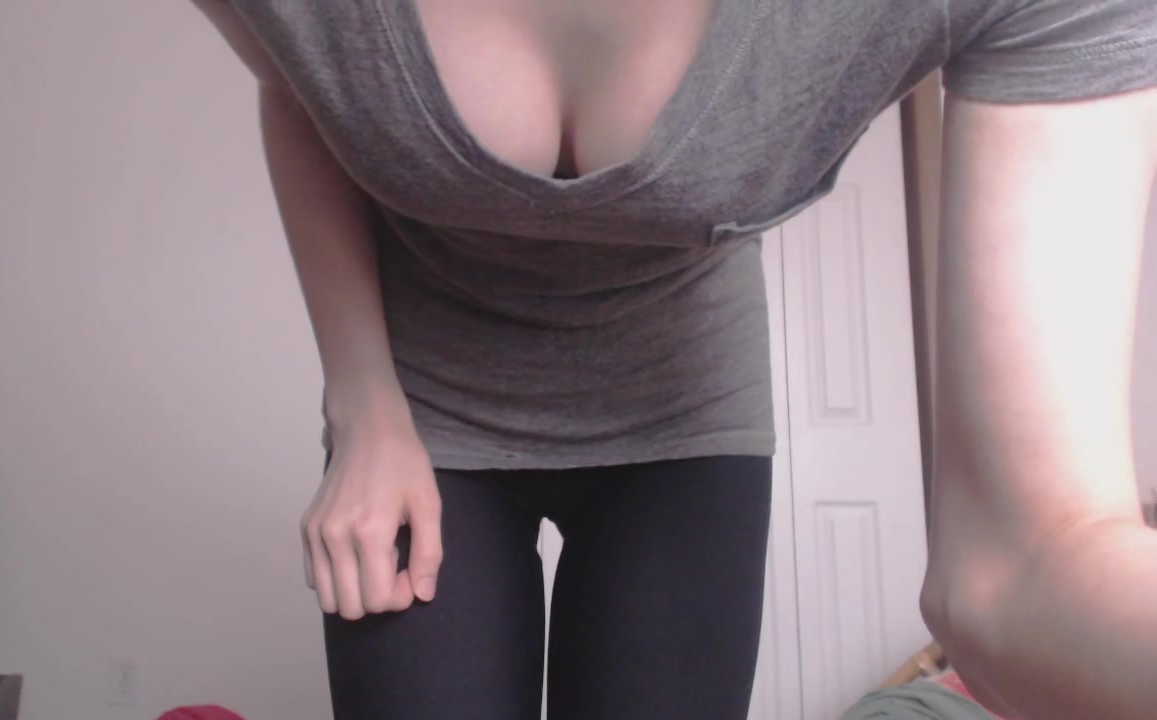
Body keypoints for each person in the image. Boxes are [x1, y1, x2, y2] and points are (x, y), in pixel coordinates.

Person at [190, 1, 1157, 718]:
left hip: (685, 413)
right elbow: (298, 83)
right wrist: (362, 406)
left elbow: (1030, 559)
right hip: (417, 412)